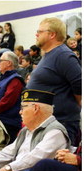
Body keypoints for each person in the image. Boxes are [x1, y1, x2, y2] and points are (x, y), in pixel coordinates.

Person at [0, 89, 71, 171]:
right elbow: (7, 153)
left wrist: (8, 168)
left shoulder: (55, 131)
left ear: (35, 108)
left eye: (23, 107)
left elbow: (36, 157)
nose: (20, 112)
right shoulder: (26, 130)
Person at [27, 17, 82, 146]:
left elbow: (79, 86)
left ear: (52, 34)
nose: (36, 34)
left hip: (60, 124)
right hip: (44, 124)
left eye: (40, 31)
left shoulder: (64, 55)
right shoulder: (48, 55)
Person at [0, 51, 25, 144]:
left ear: (9, 63)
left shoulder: (15, 80)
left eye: (1, 60)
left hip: (7, 123)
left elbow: (7, 102)